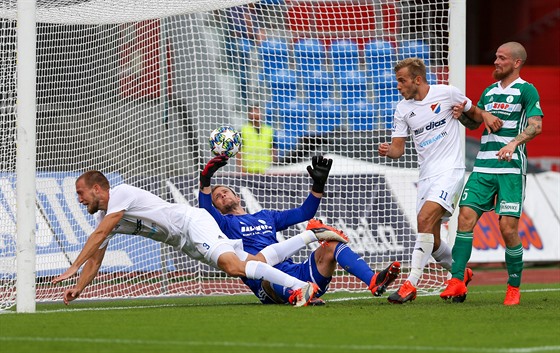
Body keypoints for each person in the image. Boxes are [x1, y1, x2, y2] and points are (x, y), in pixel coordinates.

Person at [51, 170, 350, 307]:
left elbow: (98, 235)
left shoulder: (121, 194)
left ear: (97, 189)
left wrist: (72, 266)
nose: (78, 199)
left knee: (234, 267)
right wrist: (79, 286)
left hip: (192, 223)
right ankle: (311, 235)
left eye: (80, 193)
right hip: (188, 242)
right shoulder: (108, 217)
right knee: (251, 262)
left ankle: (300, 286)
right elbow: (96, 257)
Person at [377, 57, 502, 304]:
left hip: (451, 170)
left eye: (402, 81)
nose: (398, 86)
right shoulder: (402, 109)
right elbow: (398, 150)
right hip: (426, 176)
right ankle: (460, 272)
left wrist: (481, 114)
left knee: (424, 218)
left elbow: (474, 116)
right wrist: (387, 150)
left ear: (418, 79)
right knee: (432, 240)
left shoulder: (447, 93)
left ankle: (411, 284)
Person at [199, 154, 402, 305]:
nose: (222, 196)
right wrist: (206, 180)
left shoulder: (266, 216)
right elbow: (205, 209)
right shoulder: (224, 224)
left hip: (297, 272)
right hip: (267, 285)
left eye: (225, 192)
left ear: (237, 197)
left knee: (331, 244)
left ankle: (374, 281)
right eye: (217, 197)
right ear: (217, 207)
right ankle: (299, 294)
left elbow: (304, 212)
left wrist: (318, 186)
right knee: (268, 276)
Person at [440, 42, 543, 306]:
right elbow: (475, 123)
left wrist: (513, 143)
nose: (495, 62)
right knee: (464, 218)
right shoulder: (489, 91)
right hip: (482, 167)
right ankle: (456, 280)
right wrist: (462, 115)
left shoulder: (526, 90)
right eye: (495, 56)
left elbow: (536, 126)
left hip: (510, 169)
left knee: (508, 230)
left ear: (517, 63)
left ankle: (513, 286)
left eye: (502, 58)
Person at [238, 105, 277, 173]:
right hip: (249, 169)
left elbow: (273, 148)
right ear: (249, 114)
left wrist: (272, 164)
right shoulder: (243, 130)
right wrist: (241, 168)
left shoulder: (269, 130)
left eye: (257, 112)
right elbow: (239, 151)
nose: (255, 114)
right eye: (253, 112)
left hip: (265, 169)